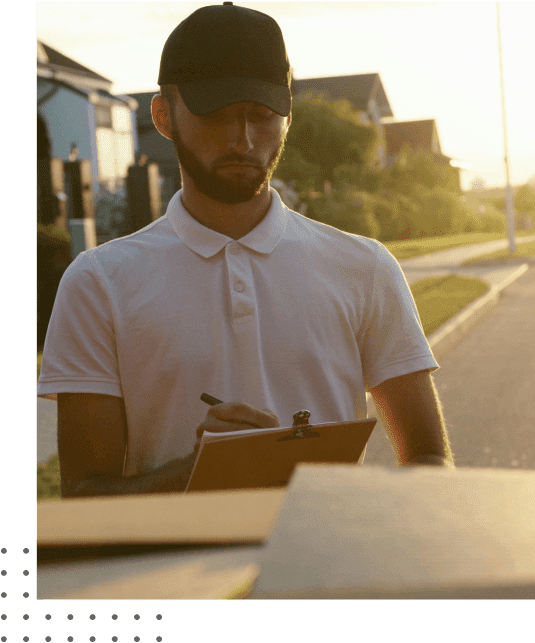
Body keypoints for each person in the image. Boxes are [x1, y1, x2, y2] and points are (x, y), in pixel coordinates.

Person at [37, 2, 454, 499]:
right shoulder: (99, 284)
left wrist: (351, 502)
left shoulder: (364, 267)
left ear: (287, 117)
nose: (242, 138)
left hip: (329, 570)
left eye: (262, 115)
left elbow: (430, 460)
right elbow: (83, 495)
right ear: (163, 115)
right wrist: (200, 471)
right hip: (171, 577)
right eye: (216, 114)